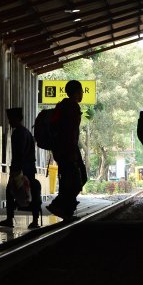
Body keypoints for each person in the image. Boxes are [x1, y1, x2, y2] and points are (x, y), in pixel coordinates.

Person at [46, 80, 86, 219]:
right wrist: (72, 153)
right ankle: (59, 205)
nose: (82, 94)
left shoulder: (61, 106)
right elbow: (70, 133)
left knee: (68, 181)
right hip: (68, 151)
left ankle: (66, 210)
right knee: (76, 181)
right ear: (76, 92)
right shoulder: (72, 107)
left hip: (61, 151)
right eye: (81, 91)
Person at [0, 107, 41, 229]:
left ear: (16, 119)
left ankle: (10, 219)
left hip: (20, 170)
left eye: (10, 120)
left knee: (10, 191)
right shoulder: (27, 133)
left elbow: (18, 154)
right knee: (31, 192)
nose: (9, 122)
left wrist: (15, 170)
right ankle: (35, 220)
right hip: (30, 169)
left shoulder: (18, 133)